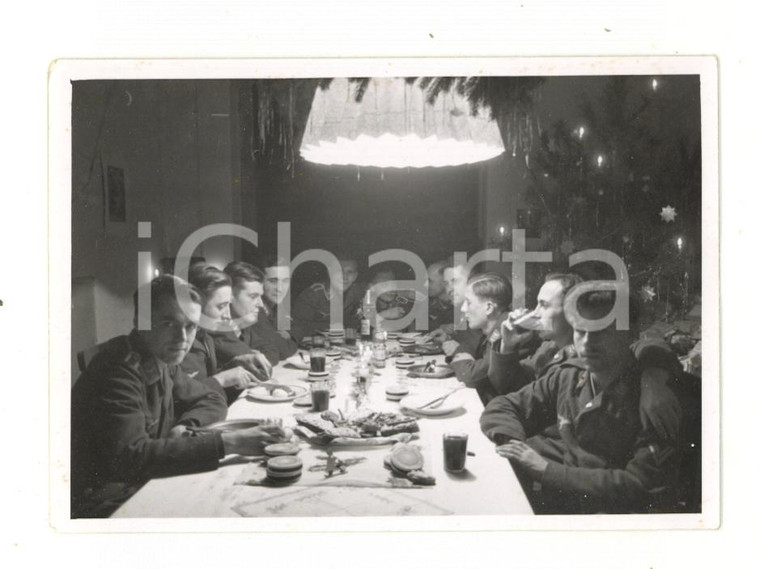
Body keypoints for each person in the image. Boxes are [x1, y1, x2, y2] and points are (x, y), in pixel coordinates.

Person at [71, 276, 288, 518]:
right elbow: (130, 457)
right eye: (169, 324)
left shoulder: (162, 358)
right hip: (103, 502)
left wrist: (186, 425)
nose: (182, 339)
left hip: (140, 482)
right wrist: (230, 442)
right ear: (139, 321)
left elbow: (211, 399)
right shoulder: (117, 371)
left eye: (190, 326)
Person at [480, 287, 682, 514]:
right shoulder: (569, 375)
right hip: (559, 501)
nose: (587, 343)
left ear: (631, 333)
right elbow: (503, 406)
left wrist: (546, 470)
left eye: (601, 332)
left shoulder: (652, 400)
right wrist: (515, 446)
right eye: (580, 331)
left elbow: (639, 484)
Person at [492, 273, 682, 440]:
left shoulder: (602, 354)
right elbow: (509, 387)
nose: (535, 313)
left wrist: (652, 380)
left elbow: (648, 345)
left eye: (544, 305)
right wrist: (507, 346)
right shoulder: (548, 349)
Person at [183, 263, 272, 404]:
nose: (227, 316)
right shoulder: (183, 343)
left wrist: (234, 365)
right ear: (197, 304)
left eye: (227, 305)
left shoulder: (205, 337)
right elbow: (185, 399)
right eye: (221, 306)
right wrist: (222, 379)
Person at [448, 273, 513, 404]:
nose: (463, 308)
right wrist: (468, 361)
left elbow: (472, 376)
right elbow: (465, 347)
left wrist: (468, 363)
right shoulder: (487, 326)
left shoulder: (508, 329)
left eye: (468, 302)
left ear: (488, 307)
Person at [207, 261, 280, 369]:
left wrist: (257, 356)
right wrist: (256, 356)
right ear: (229, 295)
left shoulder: (244, 325)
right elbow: (257, 363)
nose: (260, 304)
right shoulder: (217, 328)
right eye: (253, 296)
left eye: (260, 296)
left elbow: (273, 351)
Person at [291, 257, 365, 341]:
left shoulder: (357, 292)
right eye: (339, 271)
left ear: (355, 276)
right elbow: (296, 327)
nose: (344, 277)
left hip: (343, 346)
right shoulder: (312, 295)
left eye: (350, 272)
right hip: (313, 347)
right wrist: (331, 328)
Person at [254, 256, 299, 359]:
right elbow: (283, 350)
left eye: (285, 281)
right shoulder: (255, 307)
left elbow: (297, 328)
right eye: (273, 281)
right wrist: (292, 340)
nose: (280, 289)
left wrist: (288, 334)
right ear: (259, 282)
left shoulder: (277, 305)